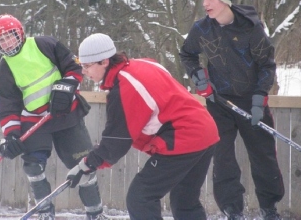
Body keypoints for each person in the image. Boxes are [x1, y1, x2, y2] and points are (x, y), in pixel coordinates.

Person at [65, 33, 220, 220]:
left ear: (104, 61)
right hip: (205, 130)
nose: (84, 71)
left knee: (140, 198)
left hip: (184, 137)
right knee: (185, 200)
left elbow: (116, 141)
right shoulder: (144, 63)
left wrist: (87, 164)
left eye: (87, 65)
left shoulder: (125, 87)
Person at [179, 0, 285, 220]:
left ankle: (269, 208)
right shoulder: (202, 29)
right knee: (223, 158)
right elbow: (187, 54)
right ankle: (232, 210)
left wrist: (260, 98)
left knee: (263, 155)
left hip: (251, 101)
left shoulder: (251, 28)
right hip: (219, 102)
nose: (205, 3)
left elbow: (266, 65)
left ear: (225, 1)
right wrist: (199, 78)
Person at [0, 14, 107, 220]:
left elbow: (74, 66)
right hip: (34, 121)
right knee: (33, 166)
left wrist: (66, 86)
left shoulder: (44, 44)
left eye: (10, 36)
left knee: (84, 165)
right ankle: (44, 213)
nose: (7, 43)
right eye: (1, 40)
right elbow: (8, 106)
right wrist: (10, 135)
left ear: (20, 33)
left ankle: (95, 214)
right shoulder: (4, 67)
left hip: (65, 114)